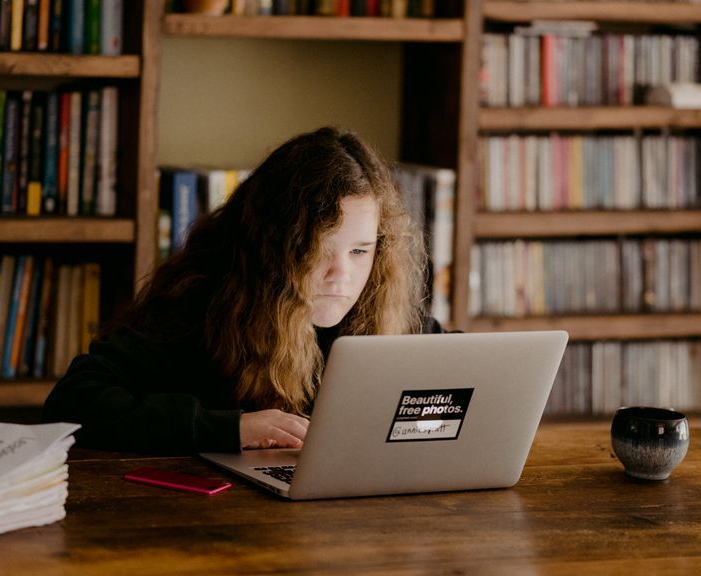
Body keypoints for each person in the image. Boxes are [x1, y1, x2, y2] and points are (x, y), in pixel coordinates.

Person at [42, 127, 446, 455]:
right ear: (273, 247)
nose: (340, 274)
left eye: (360, 250)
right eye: (317, 249)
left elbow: (467, 370)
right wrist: (227, 429)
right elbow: (73, 402)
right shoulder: (200, 302)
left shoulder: (383, 307)